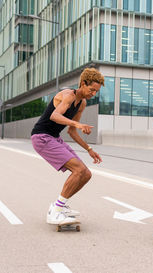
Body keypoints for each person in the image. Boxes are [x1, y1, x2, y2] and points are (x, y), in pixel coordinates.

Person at [31, 68, 104, 225]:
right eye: (92, 89)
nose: (93, 94)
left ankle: (59, 206)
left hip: (54, 138)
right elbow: (54, 116)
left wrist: (89, 149)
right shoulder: (68, 95)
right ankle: (55, 212)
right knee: (78, 170)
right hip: (41, 137)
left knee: (86, 174)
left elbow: (71, 132)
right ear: (83, 84)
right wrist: (77, 123)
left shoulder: (82, 103)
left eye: (96, 91)